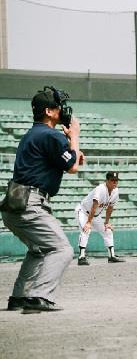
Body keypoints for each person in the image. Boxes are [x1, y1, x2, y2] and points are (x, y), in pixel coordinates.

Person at [0, 86, 83, 313]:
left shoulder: (33, 134)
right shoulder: (50, 135)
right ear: (48, 111)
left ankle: (20, 297)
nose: (62, 110)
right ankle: (38, 296)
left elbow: (73, 159)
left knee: (38, 250)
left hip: (14, 204)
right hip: (30, 203)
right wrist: (74, 136)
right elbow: (73, 166)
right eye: (58, 107)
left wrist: (71, 144)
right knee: (61, 250)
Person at [75, 171, 125, 265]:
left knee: (108, 231)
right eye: (112, 180)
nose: (115, 182)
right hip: (83, 211)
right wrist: (89, 222)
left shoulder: (115, 191)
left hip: (96, 215)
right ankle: (81, 257)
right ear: (107, 181)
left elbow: (110, 208)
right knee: (86, 230)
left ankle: (111, 256)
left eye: (116, 180)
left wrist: (106, 222)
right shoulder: (101, 189)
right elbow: (94, 206)